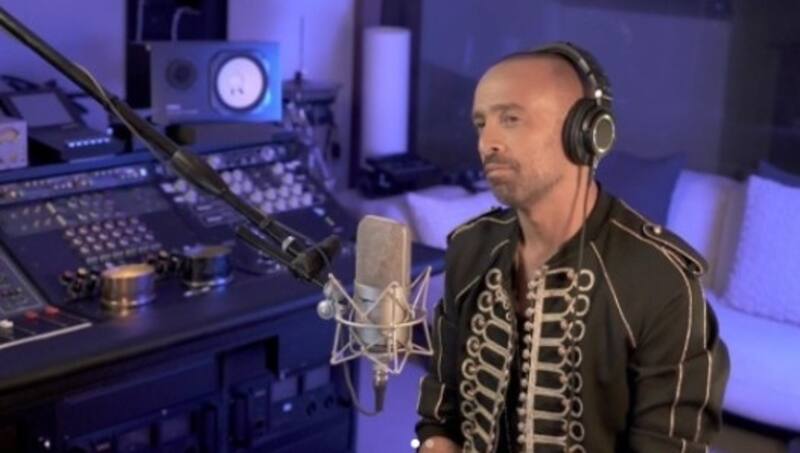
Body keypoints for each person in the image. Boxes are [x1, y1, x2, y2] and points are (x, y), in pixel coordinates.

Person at [415, 42, 730, 453]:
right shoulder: (469, 248)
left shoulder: (662, 283)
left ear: (586, 133)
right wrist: (436, 441)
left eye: (510, 119)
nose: (487, 142)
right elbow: (442, 404)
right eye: (480, 123)